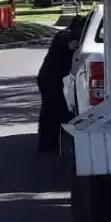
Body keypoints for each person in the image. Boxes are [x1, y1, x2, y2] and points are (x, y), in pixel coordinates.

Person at [37, 15, 85, 152]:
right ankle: (50, 143)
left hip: (50, 78)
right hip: (51, 79)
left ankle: (46, 143)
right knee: (55, 111)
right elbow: (73, 46)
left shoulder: (63, 36)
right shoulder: (65, 37)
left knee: (48, 111)